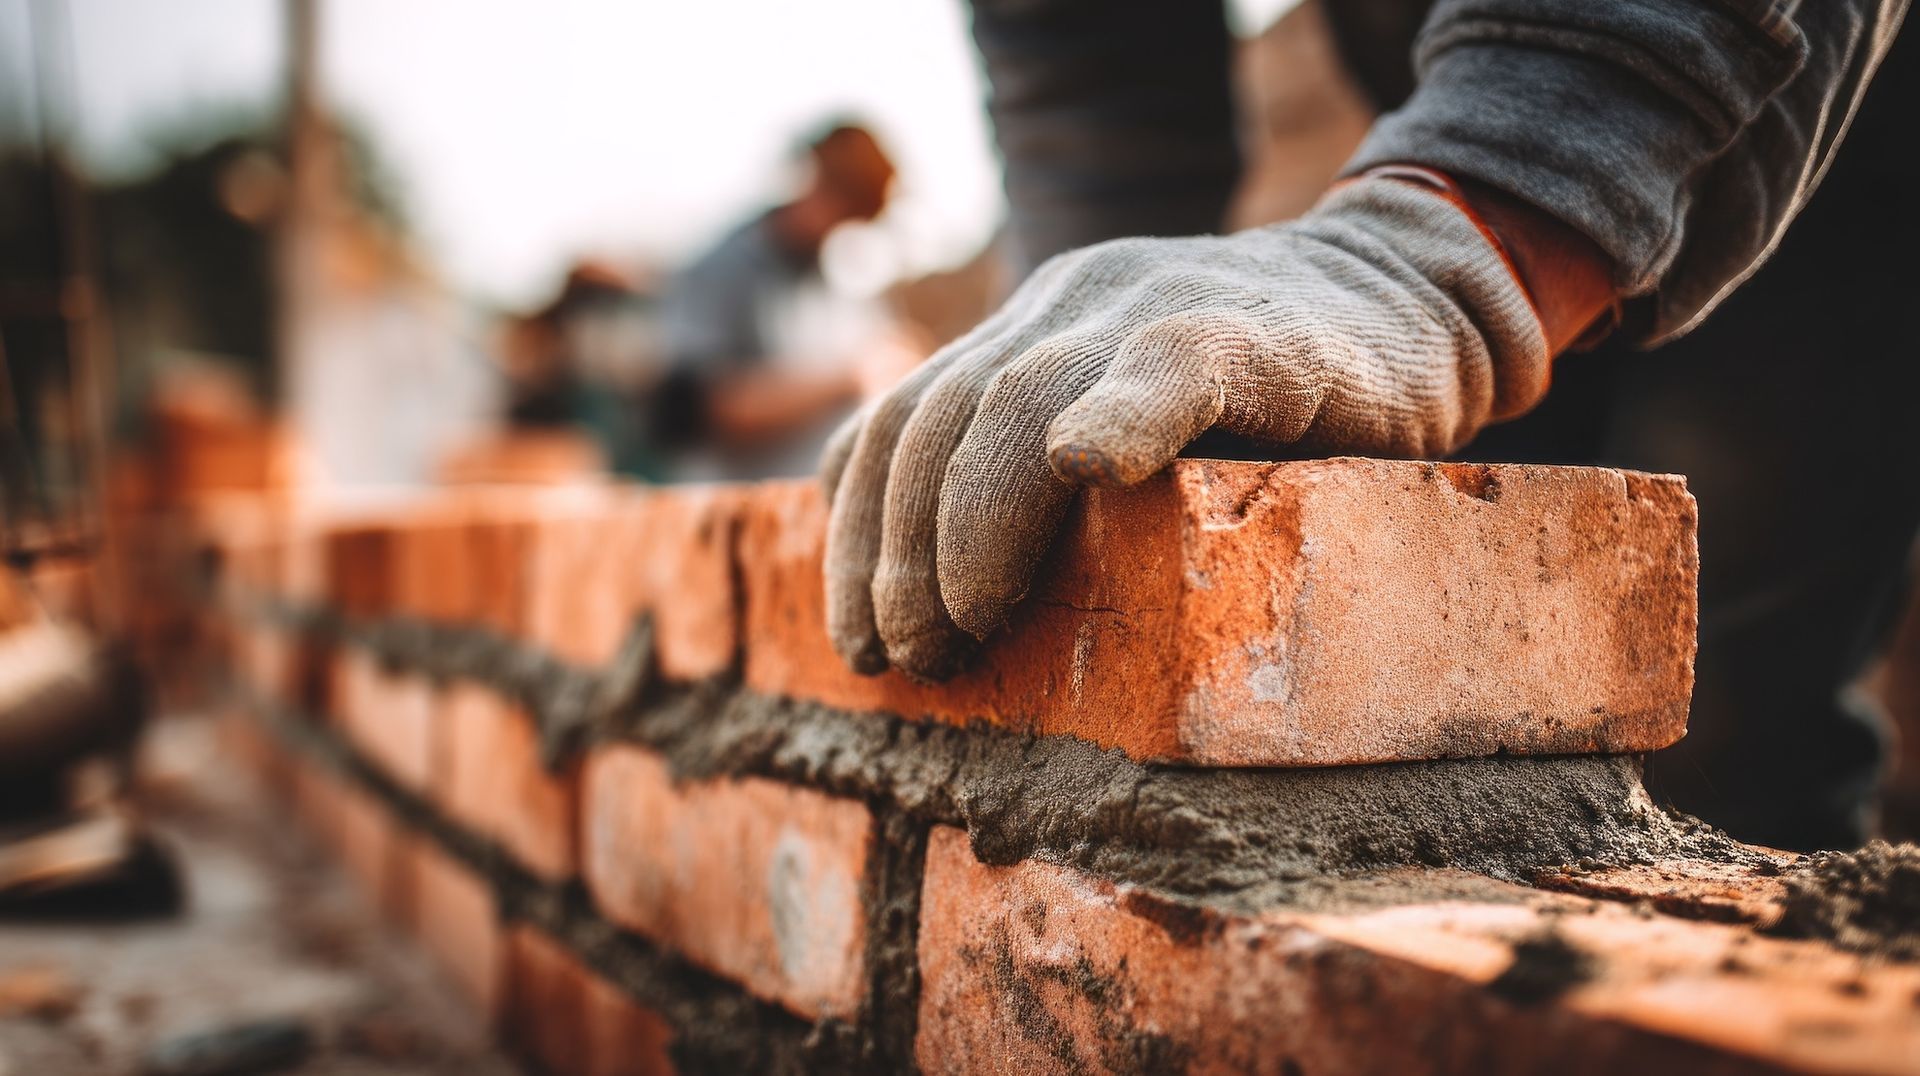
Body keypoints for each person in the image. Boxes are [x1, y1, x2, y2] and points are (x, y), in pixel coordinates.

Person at [818, 0, 1911, 850]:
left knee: (1729, 705)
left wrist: (1491, 212)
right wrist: (1082, 337)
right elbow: (1094, 78)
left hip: (1810, 110)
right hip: (1468, 86)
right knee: (1497, 690)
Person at [653, 121, 901, 479]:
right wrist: (847, 377)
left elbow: (883, 358)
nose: (836, 225)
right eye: (837, 199)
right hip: (732, 511)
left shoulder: (839, 278)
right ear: (808, 175)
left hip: (815, 504)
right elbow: (707, 407)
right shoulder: (720, 269)